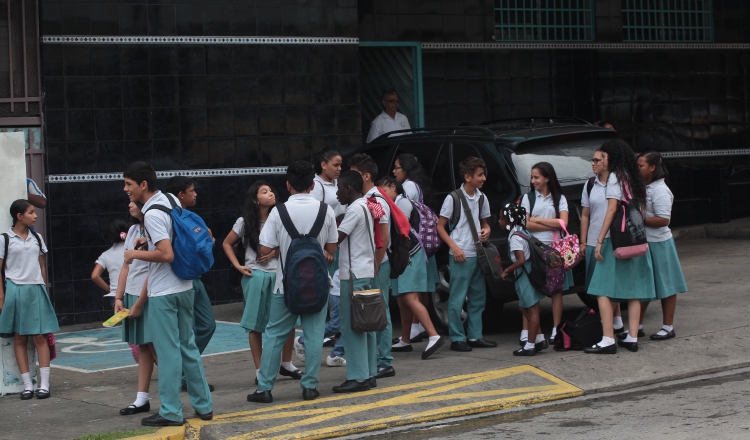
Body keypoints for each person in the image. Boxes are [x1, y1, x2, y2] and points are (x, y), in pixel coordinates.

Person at [123, 162, 213, 426]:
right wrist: (147, 241)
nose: (125, 189)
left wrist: (134, 253)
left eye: (129, 184)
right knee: (189, 348)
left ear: (143, 185)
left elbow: (166, 254)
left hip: (164, 292)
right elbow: (172, 236)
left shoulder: (151, 214)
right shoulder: (170, 199)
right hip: (186, 286)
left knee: (169, 351)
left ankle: (171, 412)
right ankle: (204, 405)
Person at [246, 161, 337, 403]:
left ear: (287, 185)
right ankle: (309, 387)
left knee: (275, 335)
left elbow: (265, 247)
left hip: (284, 285)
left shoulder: (278, 211)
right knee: (315, 335)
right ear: (312, 184)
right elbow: (331, 248)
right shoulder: (325, 210)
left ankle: (264, 388)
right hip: (318, 285)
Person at [222, 181, 302, 386]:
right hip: (255, 275)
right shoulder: (245, 222)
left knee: (288, 320)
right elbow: (227, 243)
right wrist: (238, 266)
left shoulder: (281, 217)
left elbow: (291, 243)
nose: (271, 194)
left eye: (272, 190)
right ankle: (260, 369)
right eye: (264, 192)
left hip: (279, 274)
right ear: (256, 200)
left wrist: (274, 252)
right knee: (255, 325)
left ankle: (287, 363)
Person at [584, 140, 656, 355]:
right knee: (633, 290)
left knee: (602, 289)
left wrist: (599, 240)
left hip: (615, 241)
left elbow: (612, 209)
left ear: (612, 157)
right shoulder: (633, 177)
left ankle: (608, 339)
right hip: (635, 240)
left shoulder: (614, 177)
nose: (601, 159)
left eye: (604, 156)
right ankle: (632, 337)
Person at [378, 176, 444, 359]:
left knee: (409, 297)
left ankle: (433, 335)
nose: (382, 195)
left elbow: (401, 230)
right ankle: (405, 340)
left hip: (409, 254)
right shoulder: (394, 204)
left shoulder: (403, 202)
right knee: (401, 299)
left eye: (384, 191)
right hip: (401, 256)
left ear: (393, 186)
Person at [436, 157, 496, 352]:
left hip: (477, 253)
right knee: (457, 297)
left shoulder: (482, 198)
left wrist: (487, 230)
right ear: (468, 177)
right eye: (480, 175)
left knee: (478, 297)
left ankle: (475, 335)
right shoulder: (453, 198)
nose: (484, 178)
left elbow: (484, 222)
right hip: (460, 254)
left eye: (483, 174)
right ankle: (457, 338)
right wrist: (454, 247)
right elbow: (440, 226)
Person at [0, 199, 59, 400]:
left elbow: (41, 264)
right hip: (14, 289)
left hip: (35, 289)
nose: (35, 216)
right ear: (19, 216)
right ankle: (27, 386)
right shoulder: (5, 239)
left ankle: (44, 385)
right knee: (19, 337)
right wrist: (1, 295)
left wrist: (43, 286)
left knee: (40, 337)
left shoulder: (37, 237)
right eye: (31, 212)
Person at [166, 176, 217, 392]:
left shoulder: (188, 217)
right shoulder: (169, 217)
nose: (195, 194)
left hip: (194, 278)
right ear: (181, 195)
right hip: (177, 281)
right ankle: (185, 376)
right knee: (185, 331)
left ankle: (186, 374)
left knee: (205, 325)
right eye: (191, 191)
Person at [297, 149, 347, 367]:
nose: (339, 169)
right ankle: (306, 340)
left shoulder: (338, 185)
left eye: (340, 165)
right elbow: (313, 221)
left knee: (336, 300)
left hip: (339, 247)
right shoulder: (316, 187)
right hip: (325, 251)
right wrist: (323, 248)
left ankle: (333, 348)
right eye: (335, 165)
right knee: (327, 299)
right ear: (323, 164)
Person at [348, 153, 395, 379]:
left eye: (354, 173)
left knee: (378, 309)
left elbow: (383, 238)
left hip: (376, 264)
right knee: (372, 309)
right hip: (372, 264)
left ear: (366, 175)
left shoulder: (375, 200)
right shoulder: (367, 198)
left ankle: (384, 361)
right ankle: (376, 360)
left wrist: (375, 265)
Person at [331, 170, 378, 392]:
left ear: (349, 188)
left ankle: (358, 377)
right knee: (366, 325)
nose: (337, 192)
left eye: (339, 187)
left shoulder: (354, 209)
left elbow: (336, 239)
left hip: (353, 275)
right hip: (367, 271)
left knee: (353, 328)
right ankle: (369, 373)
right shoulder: (366, 205)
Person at [633, 151, 687, 341]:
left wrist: (640, 219)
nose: (638, 169)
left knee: (667, 286)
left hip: (660, 243)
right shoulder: (645, 187)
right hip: (646, 243)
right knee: (644, 284)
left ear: (652, 167)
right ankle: (636, 325)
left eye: (641, 165)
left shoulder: (660, 190)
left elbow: (664, 220)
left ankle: (667, 327)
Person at [520, 162, 573, 345]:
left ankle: (555, 328)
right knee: (531, 288)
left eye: (537, 177)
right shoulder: (528, 198)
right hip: (534, 249)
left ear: (547, 178)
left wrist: (538, 219)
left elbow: (563, 223)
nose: (533, 181)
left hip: (555, 250)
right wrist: (552, 221)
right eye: (532, 177)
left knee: (557, 290)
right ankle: (527, 330)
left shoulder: (559, 198)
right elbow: (526, 224)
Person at [115, 201, 157, 416]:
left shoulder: (154, 228)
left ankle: (174, 397)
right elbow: (126, 265)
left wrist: (140, 302)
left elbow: (156, 270)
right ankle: (142, 399)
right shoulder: (133, 230)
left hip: (149, 294)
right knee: (143, 346)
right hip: (132, 294)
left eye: (133, 201)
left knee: (157, 349)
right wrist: (119, 297)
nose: (129, 204)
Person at [391, 153, 439, 344]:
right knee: (421, 288)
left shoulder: (408, 188)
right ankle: (417, 328)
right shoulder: (419, 186)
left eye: (397, 167)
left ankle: (416, 329)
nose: (394, 172)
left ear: (406, 169)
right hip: (423, 245)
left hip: (411, 246)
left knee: (409, 293)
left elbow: (402, 216)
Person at [581, 150, 625, 335]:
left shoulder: (619, 183)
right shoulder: (590, 184)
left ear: (608, 162)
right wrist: (583, 242)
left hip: (611, 241)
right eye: (592, 160)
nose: (593, 163)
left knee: (607, 286)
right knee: (594, 287)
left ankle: (611, 324)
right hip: (593, 241)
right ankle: (616, 322)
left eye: (597, 160)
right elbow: (585, 214)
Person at [499, 203, 547, 356]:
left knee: (533, 310)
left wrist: (506, 270)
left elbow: (520, 260)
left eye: (501, 218)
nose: (499, 221)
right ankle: (539, 338)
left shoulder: (515, 237)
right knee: (524, 307)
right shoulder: (522, 230)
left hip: (525, 274)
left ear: (509, 220)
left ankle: (530, 346)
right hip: (529, 272)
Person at [91, 218, 129, 307]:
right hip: (133, 293)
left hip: (115, 296)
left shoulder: (106, 255)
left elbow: (95, 275)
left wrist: (110, 289)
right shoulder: (134, 250)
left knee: (122, 320)